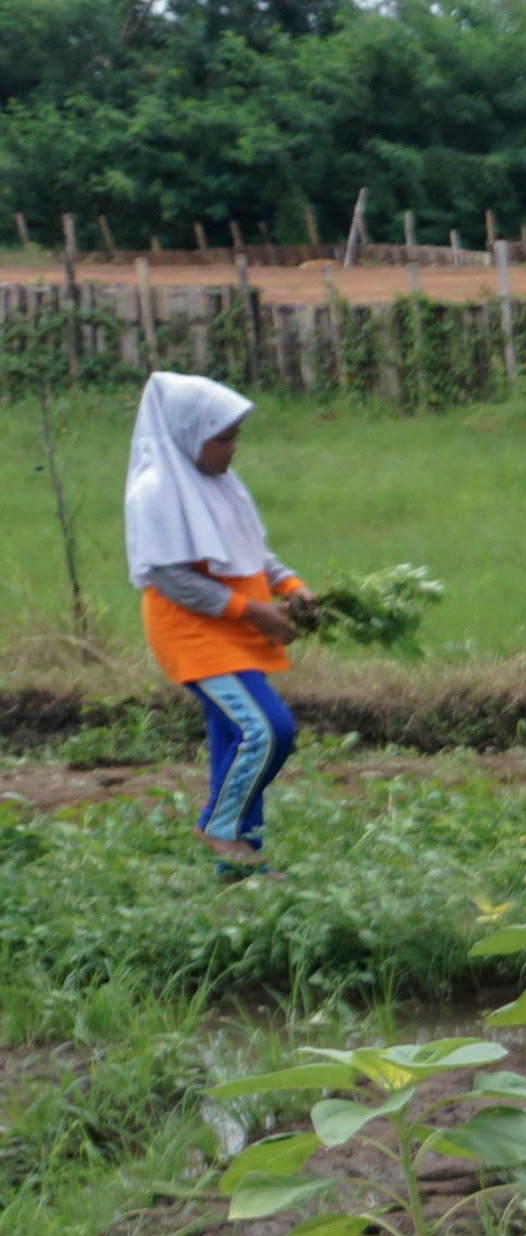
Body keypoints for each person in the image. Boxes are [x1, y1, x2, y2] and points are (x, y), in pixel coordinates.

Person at [121, 371, 311, 881]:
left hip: (233, 627)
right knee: (268, 730)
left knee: (234, 738)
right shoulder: (156, 489)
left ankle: (238, 868)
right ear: (186, 433)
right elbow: (170, 578)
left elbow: (249, 546)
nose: (232, 450)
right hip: (194, 632)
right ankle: (219, 827)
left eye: (235, 437)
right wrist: (254, 611)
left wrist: (290, 585)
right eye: (222, 438)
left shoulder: (217, 482)